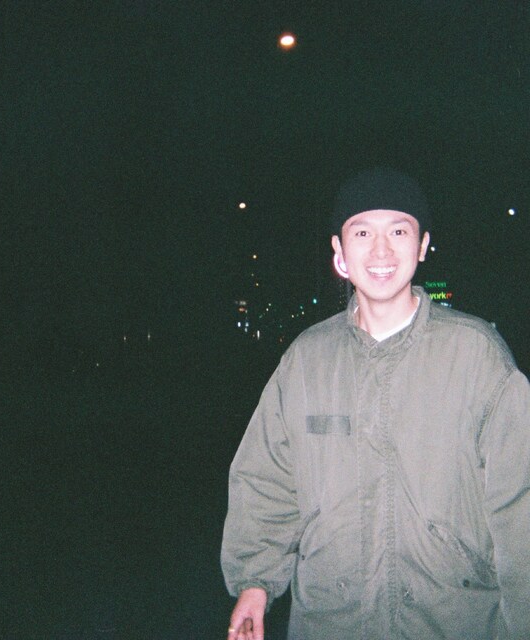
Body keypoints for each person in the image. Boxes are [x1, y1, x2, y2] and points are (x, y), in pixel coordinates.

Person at [221, 168, 530, 640]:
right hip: (331, 621)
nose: (381, 251)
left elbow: (519, 503)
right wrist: (254, 583)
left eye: (399, 232)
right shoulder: (306, 361)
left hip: (454, 620)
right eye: (362, 232)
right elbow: (267, 480)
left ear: (422, 246)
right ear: (339, 251)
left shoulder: (477, 356)